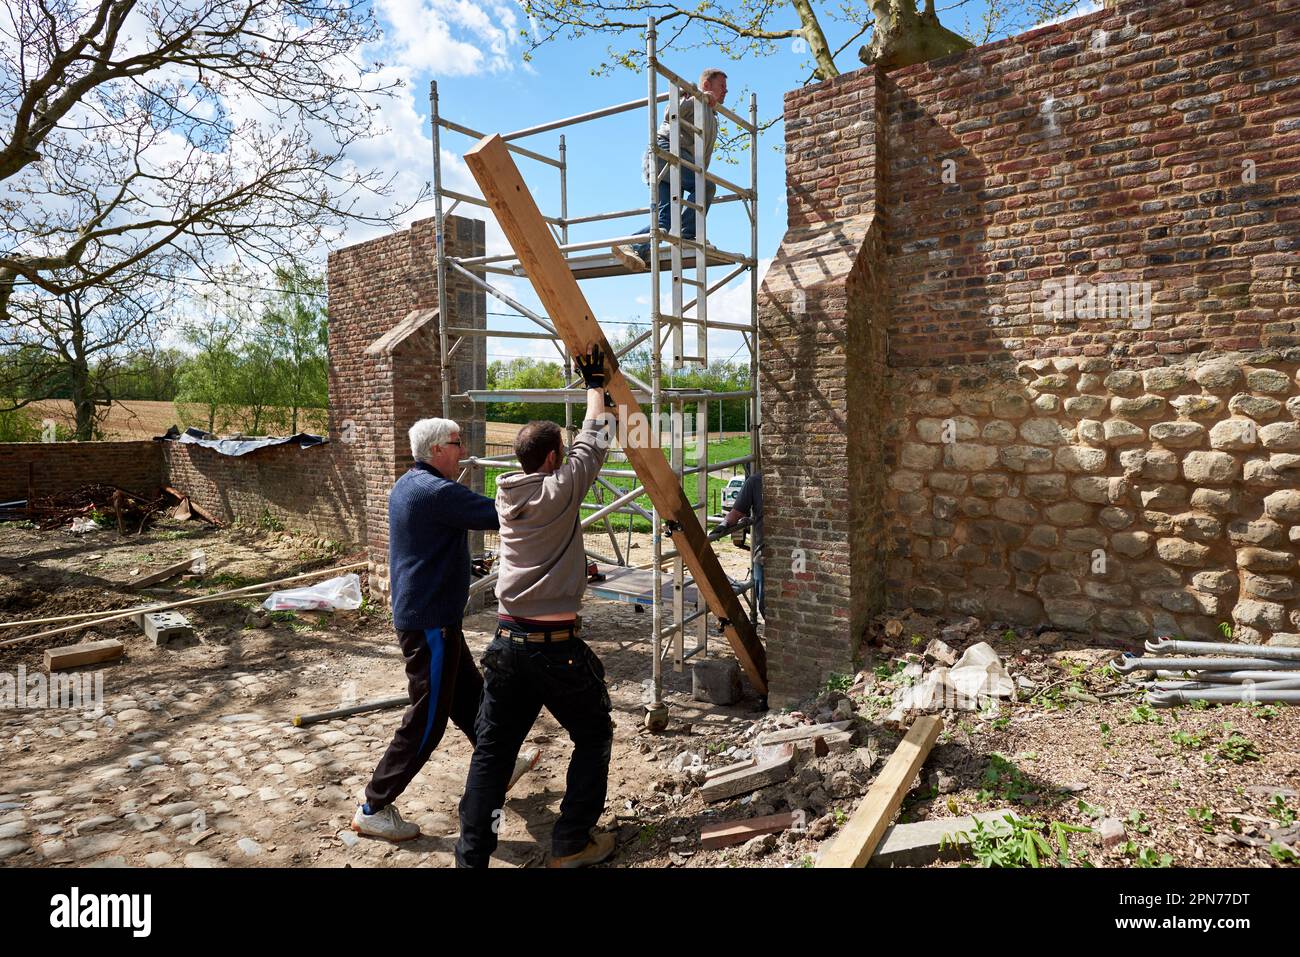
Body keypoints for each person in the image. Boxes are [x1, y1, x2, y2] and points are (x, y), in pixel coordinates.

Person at [455, 347, 617, 868]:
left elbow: (581, 446)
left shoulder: (507, 494)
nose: (565, 456)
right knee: (593, 734)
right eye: (560, 452)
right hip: (553, 649)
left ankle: (471, 856)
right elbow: (595, 439)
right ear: (551, 459)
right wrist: (596, 384)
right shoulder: (559, 491)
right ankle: (571, 841)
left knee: (493, 750)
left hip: (506, 644)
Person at [351, 417, 538, 841]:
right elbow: (499, 514)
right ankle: (373, 805)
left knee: (470, 697)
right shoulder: (436, 491)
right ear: (437, 450)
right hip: (430, 622)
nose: (463, 450)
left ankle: (500, 766)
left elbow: (427, 544)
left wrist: (463, 564)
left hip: (435, 617)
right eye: (457, 443)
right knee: (428, 717)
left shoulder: (410, 483)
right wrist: (543, 488)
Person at [612, 68, 728, 273]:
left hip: (683, 161)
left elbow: (703, 157)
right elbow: (670, 113)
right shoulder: (695, 98)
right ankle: (687, 234)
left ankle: (632, 245)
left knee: (665, 221)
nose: (726, 92)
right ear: (707, 86)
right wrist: (698, 97)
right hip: (666, 152)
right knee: (707, 186)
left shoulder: (712, 114)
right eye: (722, 87)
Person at [718, 472, 763, 618]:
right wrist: (723, 525)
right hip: (764, 554)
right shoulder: (756, 481)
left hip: (787, 554)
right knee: (764, 602)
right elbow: (736, 512)